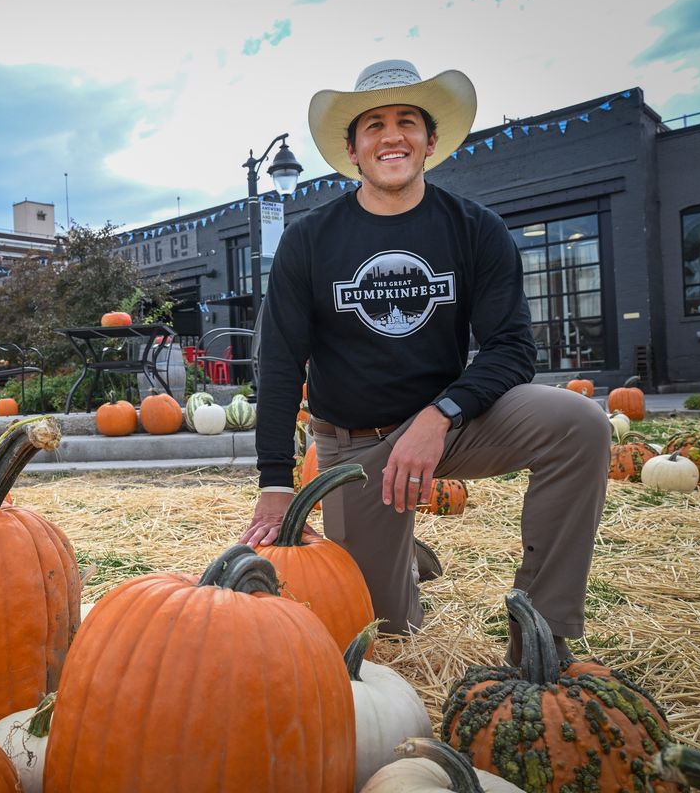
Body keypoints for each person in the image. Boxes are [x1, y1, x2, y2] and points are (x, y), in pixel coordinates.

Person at [239, 60, 611, 663]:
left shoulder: (475, 229)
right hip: (355, 451)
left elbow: (513, 349)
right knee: (383, 635)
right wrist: (276, 483)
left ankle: (544, 636)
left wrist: (439, 415)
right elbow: (280, 363)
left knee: (582, 423)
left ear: (430, 141)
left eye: (407, 121)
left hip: (453, 428)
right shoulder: (310, 241)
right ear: (354, 150)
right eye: (374, 125)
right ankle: (402, 562)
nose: (392, 136)